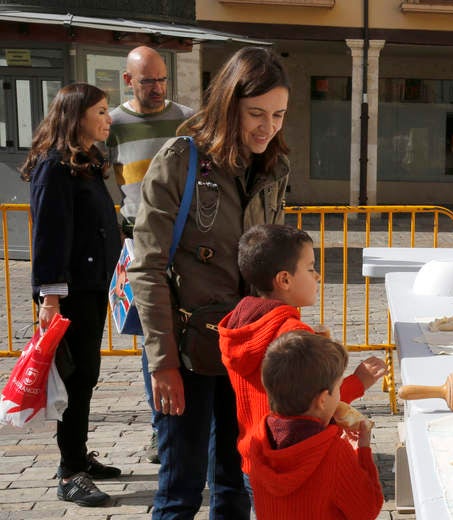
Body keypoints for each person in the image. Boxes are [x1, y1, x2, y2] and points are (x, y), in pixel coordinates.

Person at [127, 46, 292, 519]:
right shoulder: (181, 159)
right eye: (256, 113)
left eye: (278, 115)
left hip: (246, 352)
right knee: (180, 488)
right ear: (227, 106)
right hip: (186, 349)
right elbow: (148, 268)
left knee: (237, 484)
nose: (268, 127)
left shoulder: (275, 166)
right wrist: (162, 365)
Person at [218, 224, 387, 487]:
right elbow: (315, 401)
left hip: (255, 457)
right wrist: (359, 381)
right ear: (284, 280)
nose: (317, 276)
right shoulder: (294, 334)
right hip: (295, 458)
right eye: (310, 269)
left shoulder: (240, 321)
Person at [22, 83, 122, 507]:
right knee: (76, 379)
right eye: (100, 111)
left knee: (87, 376)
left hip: (93, 285)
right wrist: (50, 299)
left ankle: (79, 456)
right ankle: (70, 472)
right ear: (77, 116)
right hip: (70, 292)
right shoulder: (54, 166)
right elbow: (49, 236)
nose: (108, 118)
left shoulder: (87, 161)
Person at [107, 45, 194, 464]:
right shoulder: (114, 125)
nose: (157, 88)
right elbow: (108, 180)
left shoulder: (187, 119)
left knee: (187, 336)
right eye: (148, 81)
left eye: (162, 80)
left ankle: (188, 425)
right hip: (140, 244)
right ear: (128, 81)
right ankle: (165, 433)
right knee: (153, 343)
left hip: (186, 242)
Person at [245, 330, 384, 519]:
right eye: (337, 389)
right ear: (322, 400)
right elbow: (368, 509)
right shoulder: (335, 452)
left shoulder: (257, 441)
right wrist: (363, 451)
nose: (339, 395)